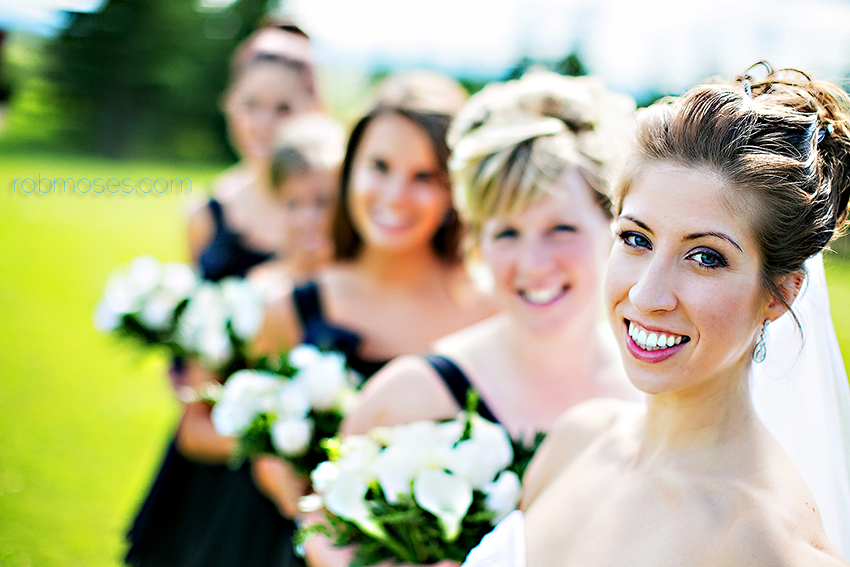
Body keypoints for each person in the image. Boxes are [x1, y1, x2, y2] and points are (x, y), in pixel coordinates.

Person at [463, 65, 850, 566]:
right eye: (636, 239)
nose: (647, 296)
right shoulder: (578, 439)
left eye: (706, 257)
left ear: (780, 294)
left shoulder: (765, 547)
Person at [344, 70, 640, 444]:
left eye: (561, 229)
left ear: (612, 228)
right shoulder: (406, 401)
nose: (533, 264)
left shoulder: (660, 397)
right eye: (507, 233)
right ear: (477, 243)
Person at [124, 22, 321, 567]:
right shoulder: (208, 212)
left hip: (295, 439)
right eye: (251, 104)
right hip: (212, 436)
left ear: (313, 108)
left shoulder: (318, 214)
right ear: (229, 104)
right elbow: (198, 324)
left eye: (283, 108)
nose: (263, 123)